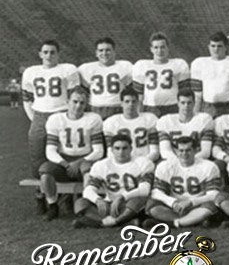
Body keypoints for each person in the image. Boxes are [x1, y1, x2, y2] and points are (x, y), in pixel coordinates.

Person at [21, 40, 80, 190]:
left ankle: (65, 194)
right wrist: (34, 119)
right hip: (39, 115)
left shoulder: (68, 69)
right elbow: (27, 99)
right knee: (37, 155)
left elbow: (75, 97)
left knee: (64, 152)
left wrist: (70, 117)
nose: (49, 55)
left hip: (61, 114)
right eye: (45, 52)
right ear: (40, 54)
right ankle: (41, 194)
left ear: (58, 54)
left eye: (52, 52)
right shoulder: (30, 72)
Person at [39, 89, 104, 221]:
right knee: (45, 172)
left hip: (86, 158)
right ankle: (53, 205)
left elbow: (99, 150)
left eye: (82, 103)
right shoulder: (56, 119)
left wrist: (78, 162)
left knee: (88, 172)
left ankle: (85, 207)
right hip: (63, 160)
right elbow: (50, 150)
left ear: (86, 105)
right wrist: (65, 164)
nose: (78, 106)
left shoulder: (93, 119)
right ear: (67, 102)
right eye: (75, 102)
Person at [73, 134, 154, 228]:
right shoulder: (102, 165)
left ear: (131, 149)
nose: (121, 152)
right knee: (80, 203)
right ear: (111, 150)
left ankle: (104, 223)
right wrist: (98, 200)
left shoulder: (143, 163)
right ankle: (122, 223)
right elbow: (88, 190)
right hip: (110, 204)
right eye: (117, 148)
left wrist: (122, 197)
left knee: (140, 200)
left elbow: (145, 190)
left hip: (129, 204)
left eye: (125, 148)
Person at [145, 136, 221, 228]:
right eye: (181, 150)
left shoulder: (209, 166)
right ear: (176, 151)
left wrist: (191, 202)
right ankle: (192, 221)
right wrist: (172, 202)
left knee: (211, 205)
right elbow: (156, 192)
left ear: (196, 150)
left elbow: (213, 194)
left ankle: (173, 223)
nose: (184, 154)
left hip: (197, 205)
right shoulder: (166, 166)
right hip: (174, 206)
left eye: (188, 150)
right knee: (152, 205)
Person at [191, 32, 229, 117]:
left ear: (226, 47)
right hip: (208, 107)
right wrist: (195, 114)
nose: (216, 49)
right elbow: (197, 94)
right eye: (213, 46)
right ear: (208, 47)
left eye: (219, 46)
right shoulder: (199, 63)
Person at [132, 32, 191, 117]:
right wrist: (138, 115)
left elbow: (184, 94)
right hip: (150, 107)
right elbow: (139, 97)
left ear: (168, 48)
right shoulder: (141, 66)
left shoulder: (178, 64)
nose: (159, 51)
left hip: (173, 106)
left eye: (162, 47)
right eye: (156, 47)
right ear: (151, 49)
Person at [78, 37, 133, 120]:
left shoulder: (125, 66)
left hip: (118, 107)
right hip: (95, 108)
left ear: (114, 52)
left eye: (108, 50)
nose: (104, 53)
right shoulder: (86, 68)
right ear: (96, 53)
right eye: (101, 50)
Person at [102, 87, 160, 162]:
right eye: (127, 101)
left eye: (134, 101)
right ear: (121, 103)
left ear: (138, 103)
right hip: (121, 163)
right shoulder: (111, 122)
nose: (131, 104)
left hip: (145, 161)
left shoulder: (150, 119)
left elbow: (154, 152)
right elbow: (110, 153)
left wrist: (142, 163)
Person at [156, 89, 215, 162]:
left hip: (198, 161)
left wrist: (188, 162)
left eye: (189, 103)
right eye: (183, 103)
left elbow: (206, 152)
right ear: (178, 103)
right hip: (173, 161)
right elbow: (165, 151)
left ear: (194, 103)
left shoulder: (204, 119)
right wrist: (179, 163)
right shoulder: (166, 121)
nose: (186, 106)